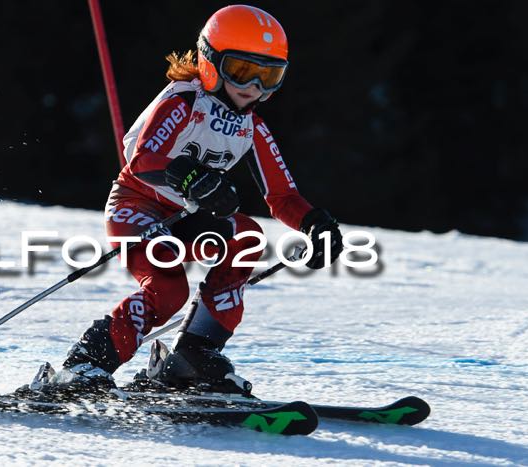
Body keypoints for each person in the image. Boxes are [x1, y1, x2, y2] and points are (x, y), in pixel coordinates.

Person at [36, 5, 343, 392]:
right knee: (168, 292)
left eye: (270, 76)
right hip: (137, 207)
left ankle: (194, 355)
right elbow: (143, 159)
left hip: (185, 217)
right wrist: (192, 178)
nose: (255, 88)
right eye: (244, 71)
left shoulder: (252, 126)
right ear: (211, 61)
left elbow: (281, 195)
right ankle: (86, 365)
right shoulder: (183, 102)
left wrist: (314, 223)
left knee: (246, 237)